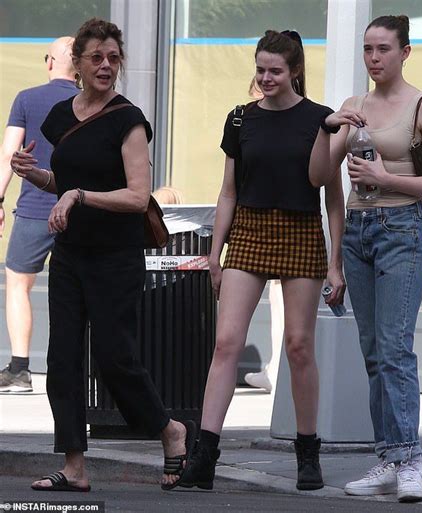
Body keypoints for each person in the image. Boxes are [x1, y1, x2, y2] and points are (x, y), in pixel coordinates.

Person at [10, 18, 196, 492]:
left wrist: (78, 196)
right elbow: (61, 180)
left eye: (114, 58)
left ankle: (169, 429)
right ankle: (74, 465)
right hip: (70, 254)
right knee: (63, 359)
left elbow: (137, 197)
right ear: (77, 64)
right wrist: (35, 176)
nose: (107, 66)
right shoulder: (59, 116)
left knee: (115, 359)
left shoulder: (128, 119)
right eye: (97, 57)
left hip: (116, 255)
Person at [176, 29, 346, 492]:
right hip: (249, 228)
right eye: (260, 69)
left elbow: (333, 198)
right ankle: (204, 455)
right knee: (226, 343)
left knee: (298, 345)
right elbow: (228, 190)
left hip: (300, 228)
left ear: (294, 70)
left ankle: (307, 453)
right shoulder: (239, 120)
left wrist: (336, 263)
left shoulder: (321, 119)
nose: (265, 78)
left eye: (275, 70)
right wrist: (215, 253)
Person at [309, 15, 422, 503]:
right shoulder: (353, 106)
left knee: (395, 348)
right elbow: (318, 174)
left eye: (383, 50)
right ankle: (389, 458)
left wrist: (388, 177)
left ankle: (410, 457)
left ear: (405, 52)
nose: (374, 59)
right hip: (358, 231)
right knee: (374, 352)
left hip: (403, 229)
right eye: (368, 50)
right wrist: (327, 126)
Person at [0, 37, 79, 393]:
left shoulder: (27, 99)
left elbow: (8, 154)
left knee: (18, 282)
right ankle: (85, 367)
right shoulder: (88, 102)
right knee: (80, 288)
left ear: (49, 62)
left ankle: (19, 370)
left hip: (33, 209)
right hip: (78, 209)